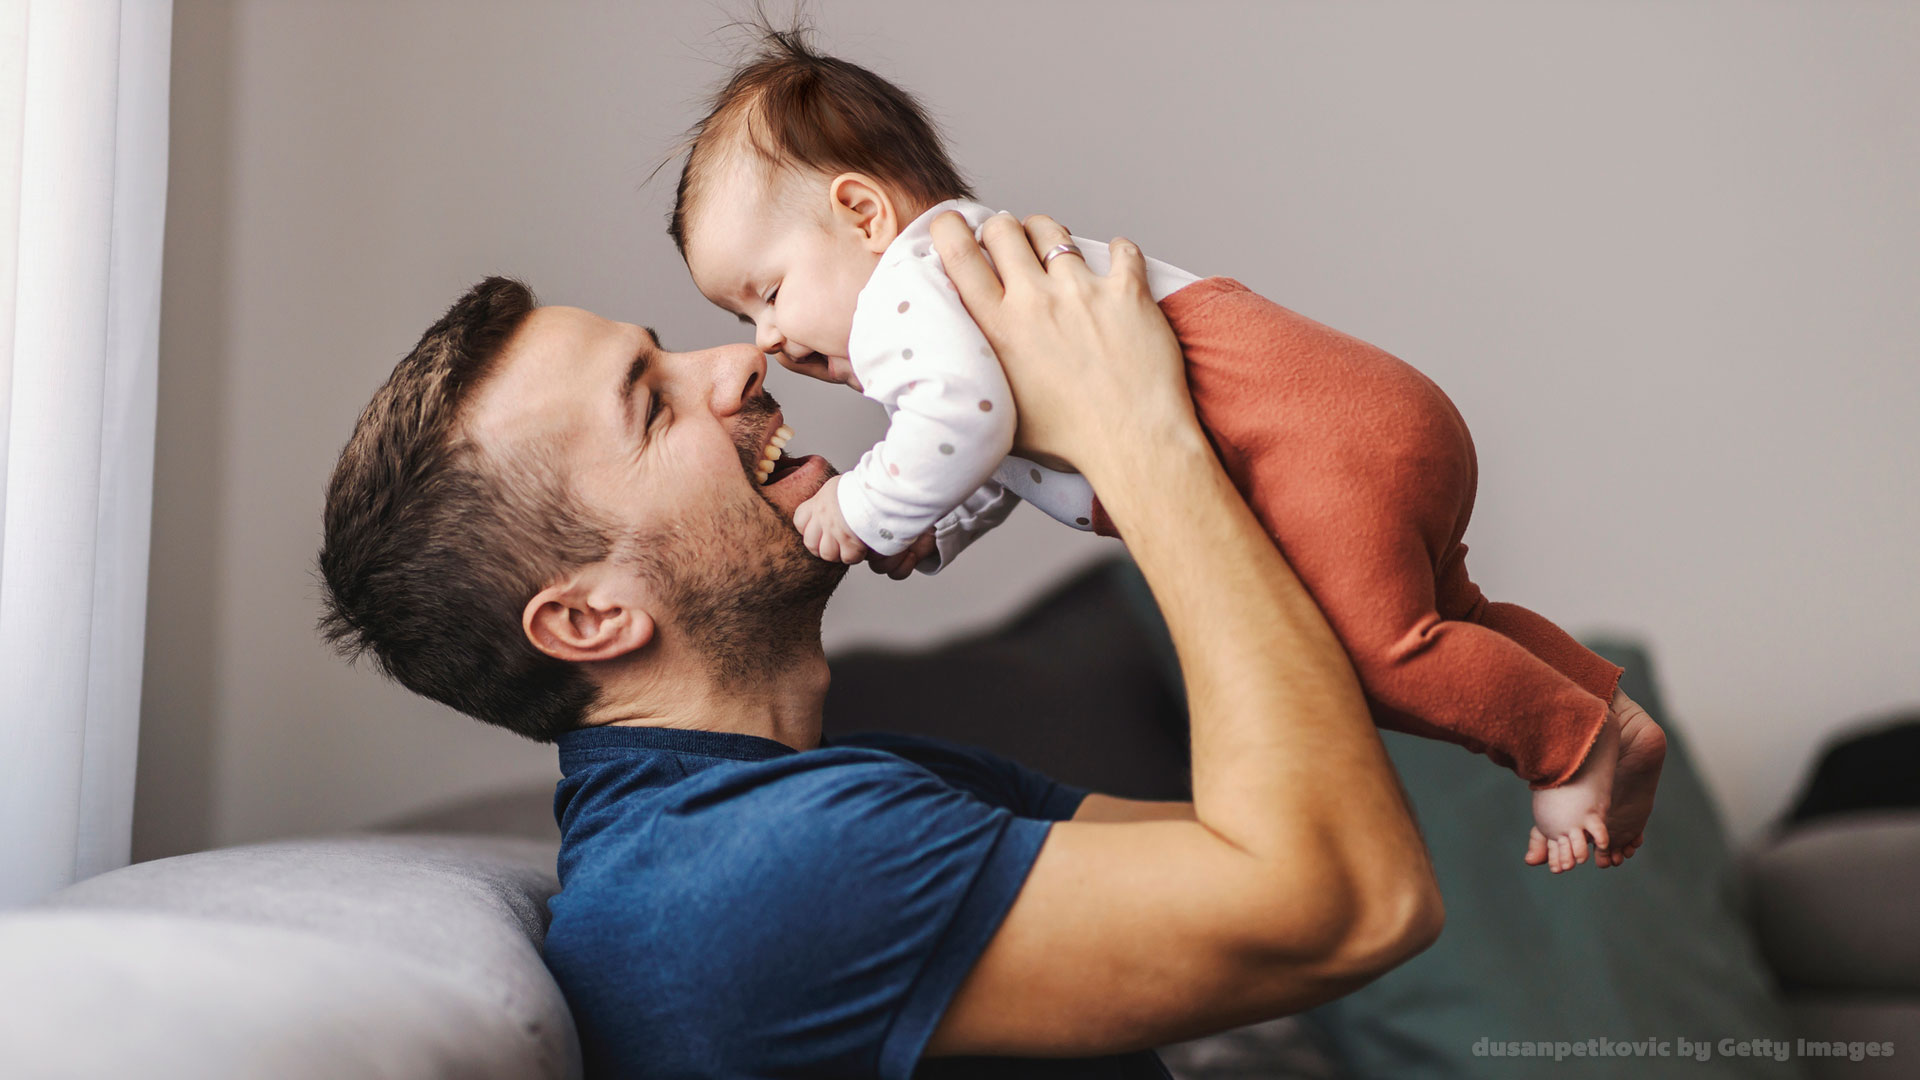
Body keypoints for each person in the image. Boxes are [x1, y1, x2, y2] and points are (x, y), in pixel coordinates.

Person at [317, 212, 1444, 1078]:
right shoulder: (744, 876)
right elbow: (1351, 898)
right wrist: (1132, 432)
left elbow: (1286, 831)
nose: (739, 361)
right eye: (652, 405)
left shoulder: (829, 796)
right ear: (588, 620)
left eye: (666, 350)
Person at [667, 27, 1666, 873]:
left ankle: (1561, 745)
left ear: (861, 212)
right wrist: (930, 524)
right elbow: (1001, 445)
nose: (765, 340)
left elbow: (960, 422)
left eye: (766, 291)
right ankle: (1598, 704)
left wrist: (866, 508)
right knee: (1450, 615)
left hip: (1306, 440)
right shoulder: (967, 265)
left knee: (1373, 658)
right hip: (1367, 411)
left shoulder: (904, 295)